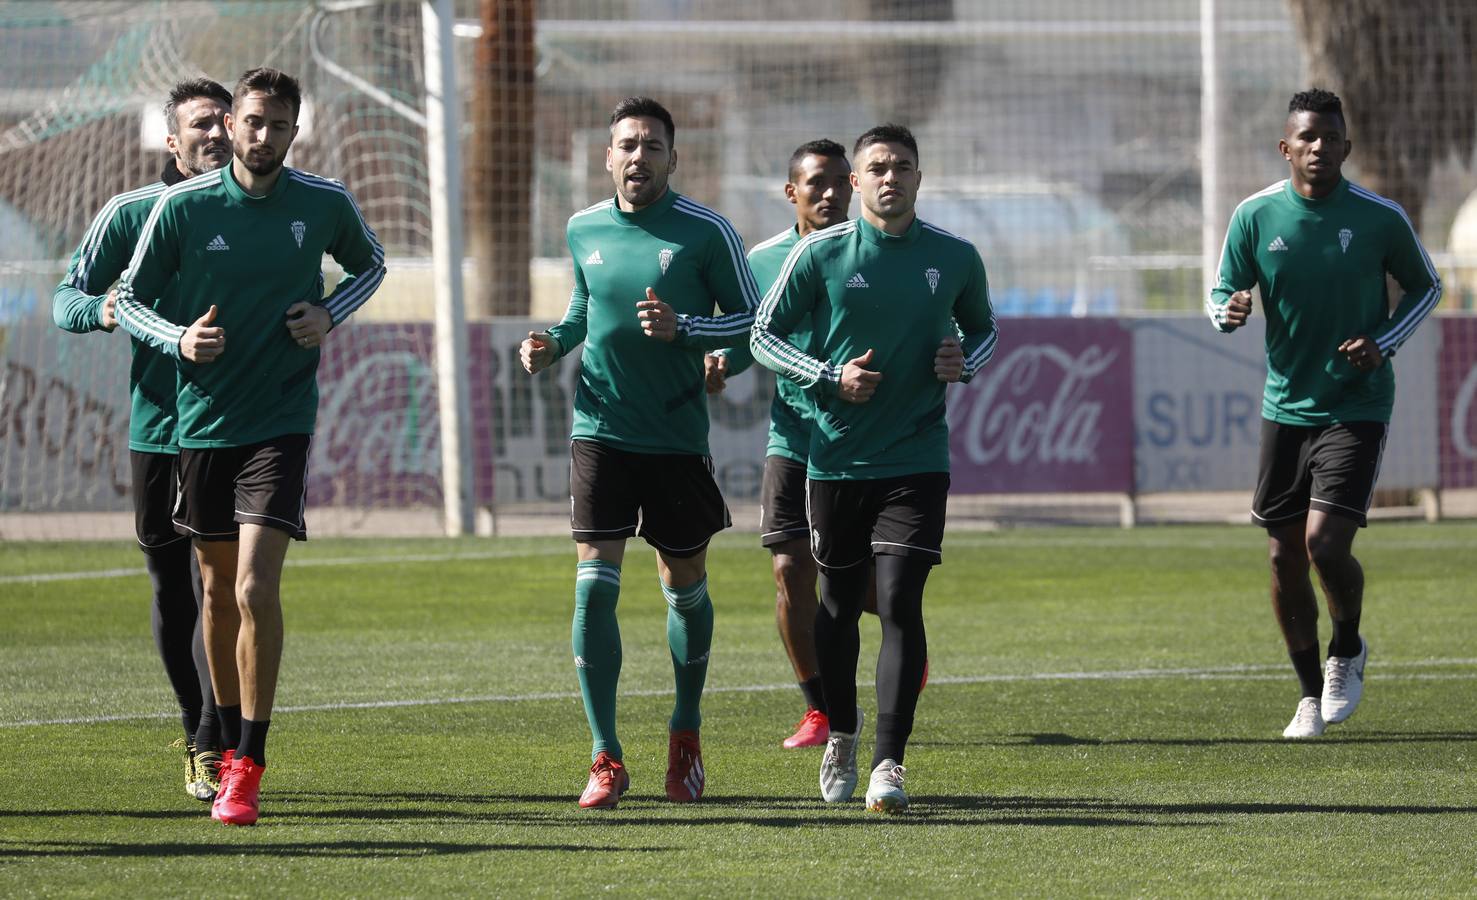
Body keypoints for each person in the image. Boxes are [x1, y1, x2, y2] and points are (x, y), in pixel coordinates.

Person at [115, 67, 386, 824]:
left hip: (281, 421)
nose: (263, 137)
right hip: (200, 425)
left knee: (253, 588)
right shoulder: (182, 206)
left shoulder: (323, 202)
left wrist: (330, 314)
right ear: (231, 124)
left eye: (279, 126)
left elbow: (372, 265)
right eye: (253, 122)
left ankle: (249, 764)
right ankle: (223, 738)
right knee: (211, 592)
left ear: (293, 132)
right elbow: (128, 299)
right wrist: (179, 339)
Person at [519, 96, 759, 810]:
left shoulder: (706, 231)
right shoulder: (581, 227)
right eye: (626, 144)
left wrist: (685, 329)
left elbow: (752, 318)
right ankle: (605, 755)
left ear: (672, 160)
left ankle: (684, 732)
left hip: (676, 435)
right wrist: (549, 343)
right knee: (593, 576)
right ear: (607, 156)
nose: (638, 156)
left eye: (652, 146)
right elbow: (581, 310)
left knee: (683, 580)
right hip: (599, 427)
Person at [751, 124, 997, 813]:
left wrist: (963, 362)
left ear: (919, 178)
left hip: (917, 456)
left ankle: (889, 763)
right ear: (856, 182)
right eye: (878, 168)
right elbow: (762, 335)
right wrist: (828, 376)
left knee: (897, 602)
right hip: (833, 460)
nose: (890, 177)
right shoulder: (820, 253)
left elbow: (982, 328)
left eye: (903, 167)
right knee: (834, 607)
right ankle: (844, 735)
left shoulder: (954, 257)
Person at [1207, 88, 1440, 739]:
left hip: (1355, 404)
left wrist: (1383, 342)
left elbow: (1427, 286)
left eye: (1327, 137)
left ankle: (1346, 648)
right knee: (1282, 557)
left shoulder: (1376, 217)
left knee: (1322, 543)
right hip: (1284, 407)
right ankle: (1308, 694)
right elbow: (1222, 286)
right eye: (1303, 138)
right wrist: (1225, 311)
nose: (1316, 148)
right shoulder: (1254, 216)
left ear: (1345, 146)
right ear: (1284, 147)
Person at [51, 78, 234, 803]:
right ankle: (198, 730)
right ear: (171, 139)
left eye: (225, 121)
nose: (216, 134)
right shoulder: (130, 213)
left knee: (216, 586)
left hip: (234, 431)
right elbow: (68, 296)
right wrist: (107, 311)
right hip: (158, 428)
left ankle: (217, 742)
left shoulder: (265, 212)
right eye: (200, 124)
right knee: (172, 589)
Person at [704, 139, 859, 749]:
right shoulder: (763, 261)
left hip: (862, 445)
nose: (828, 193)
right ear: (790, 193)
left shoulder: (871, 251)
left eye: (837, 182)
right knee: (790, 571)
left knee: (868, 584)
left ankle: (905, 634)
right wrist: (720, 364)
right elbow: (747, 336)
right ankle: (819, 709)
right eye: (814, 183)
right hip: (793, 438)